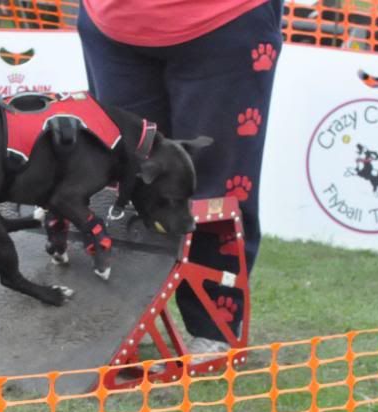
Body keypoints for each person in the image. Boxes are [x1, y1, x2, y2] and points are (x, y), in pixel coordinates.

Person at [77, 0, 284, 355]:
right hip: (113, 23)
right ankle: (115, 321)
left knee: (215, 187)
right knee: (122, 182)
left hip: (223, 21)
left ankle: (214, 327)